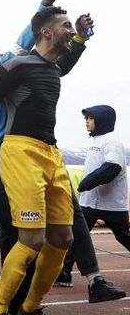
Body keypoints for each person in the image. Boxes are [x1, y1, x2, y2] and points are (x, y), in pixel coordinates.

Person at [0, 5, 94, 314]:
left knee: (63, 237)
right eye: (66, 25)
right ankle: (0, 307)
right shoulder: (16, 66)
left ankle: (30, 307)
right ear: (46, 32)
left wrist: (83, 38)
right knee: (32, 239)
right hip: (20, 151)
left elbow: (68, 61)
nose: (71, 30)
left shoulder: (53, 68)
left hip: (51, 153)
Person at [58, 105, 128, 299]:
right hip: (90, 203)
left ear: (102, 120)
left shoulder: (112, 142)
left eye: (90, 118)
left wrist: (87, 183)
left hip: (111, 204)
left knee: (124, 236)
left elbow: (112, 168)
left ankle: (64, 271)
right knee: (76, 237)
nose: (86, 122)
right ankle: (64, 273)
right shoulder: (95, 141)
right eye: (86, 119)